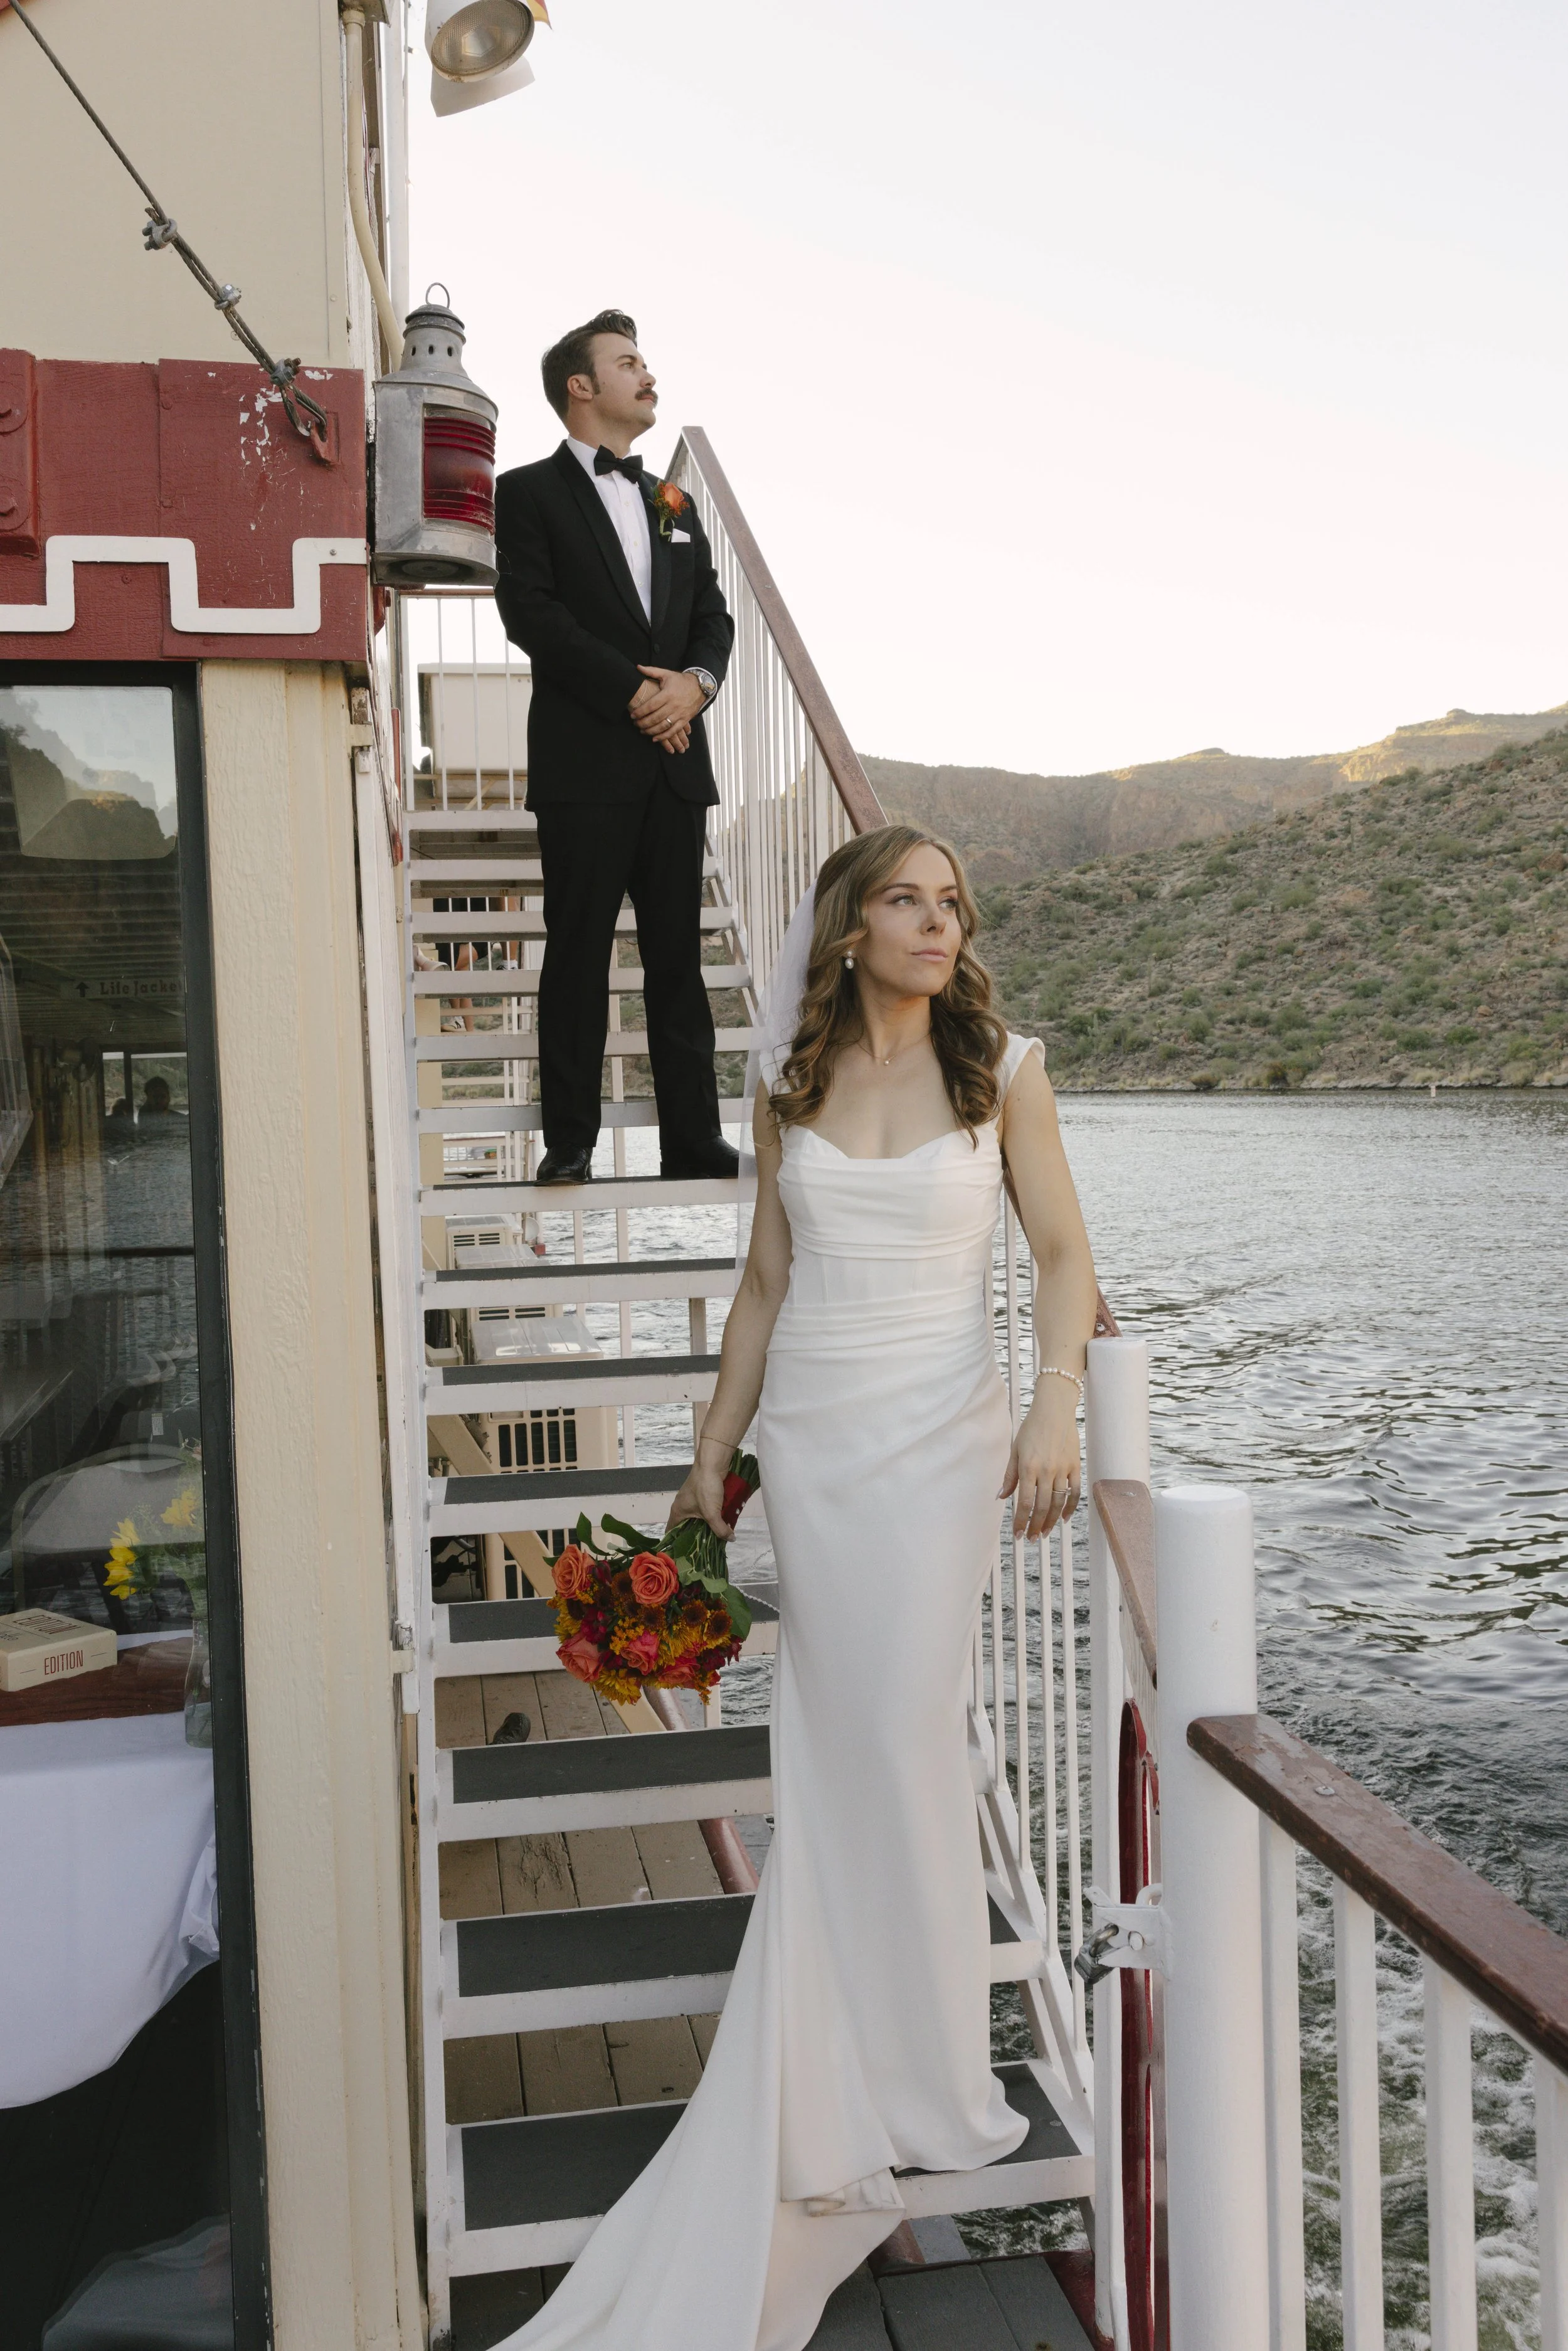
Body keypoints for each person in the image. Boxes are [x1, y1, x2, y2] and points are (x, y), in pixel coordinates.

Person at [503, 824, 1099, 2351]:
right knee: (842, 1746)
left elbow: (1059, 1254)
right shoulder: (790, 1096)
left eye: (952, 900)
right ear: (846, 929)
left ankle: (923, 2074)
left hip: (943, 1431)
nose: (936, 920)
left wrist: (1052, 1407)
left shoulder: (1003, 1070)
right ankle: (869, 2063)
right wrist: (709, 1451)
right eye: (906, 898)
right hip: (818, 1443)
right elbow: (763, 1283)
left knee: (905, 1731)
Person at [493, 310, 738, 1186]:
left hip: (675, 764)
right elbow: (533, 617)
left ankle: (693, 1138)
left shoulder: (669, 500)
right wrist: (637, 692)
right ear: (581, 387)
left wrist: (693, 687)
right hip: (584, 763)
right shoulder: (525, 492)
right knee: (578, 951)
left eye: (647, 361)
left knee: (678, 959)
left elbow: (714, 615)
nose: (649, 374)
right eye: (628, 362)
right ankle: (571, 1140)